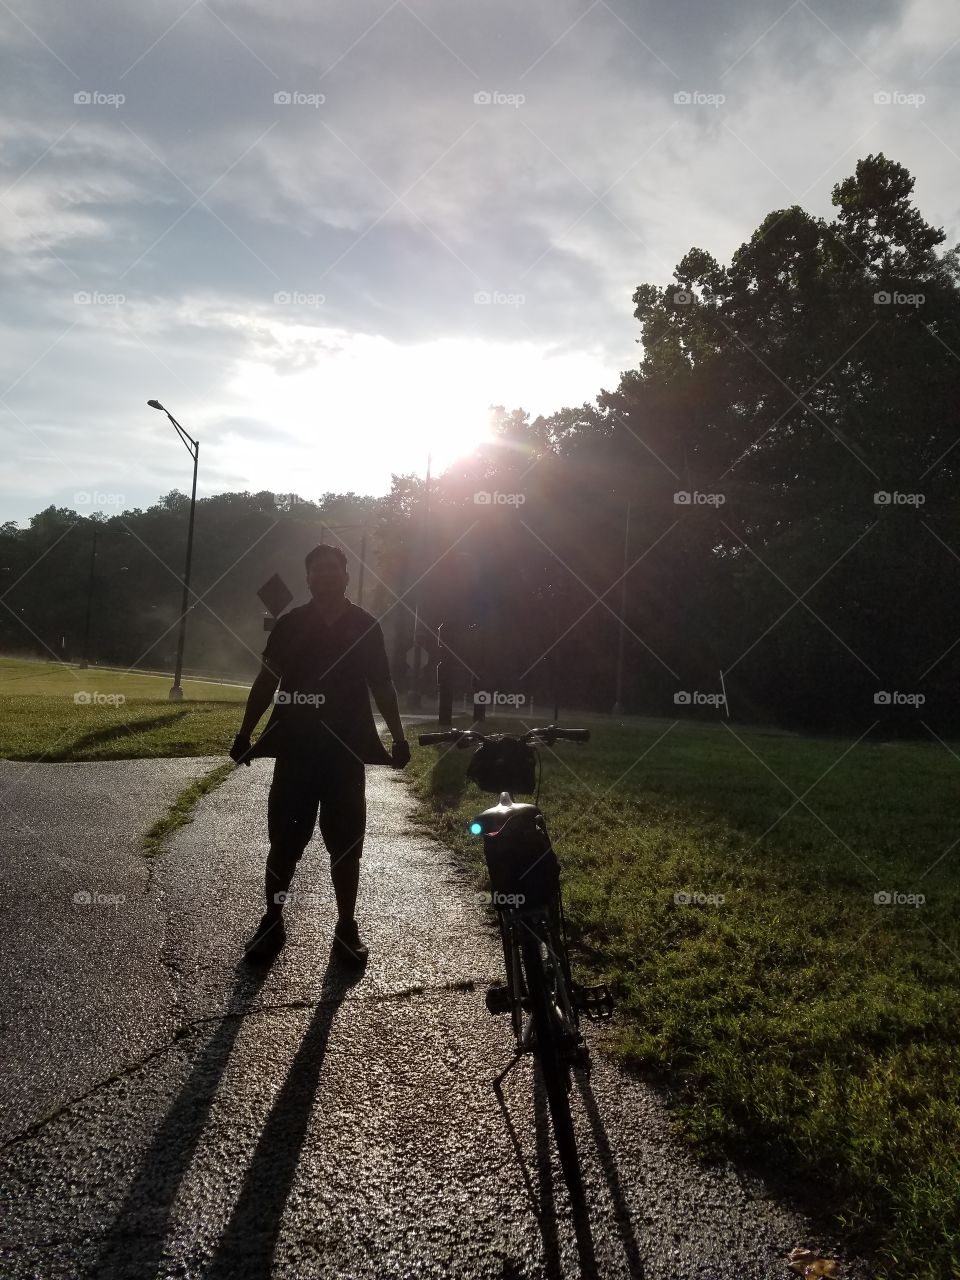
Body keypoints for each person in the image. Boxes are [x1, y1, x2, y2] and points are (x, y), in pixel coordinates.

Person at [229, 543, 410, 964]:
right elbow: (266, 681)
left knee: (347, 847)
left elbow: (383, 686)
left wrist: (398, 739)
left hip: (344, 756)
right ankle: (272, 920)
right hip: (296, 751)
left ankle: (346, 927)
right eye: (318, 570)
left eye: (334, 569)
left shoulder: (366, 626)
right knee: (284, 844)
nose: (326, 575)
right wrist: (244, 734)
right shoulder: (290, 624)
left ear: (347, 576)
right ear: (307, 578)